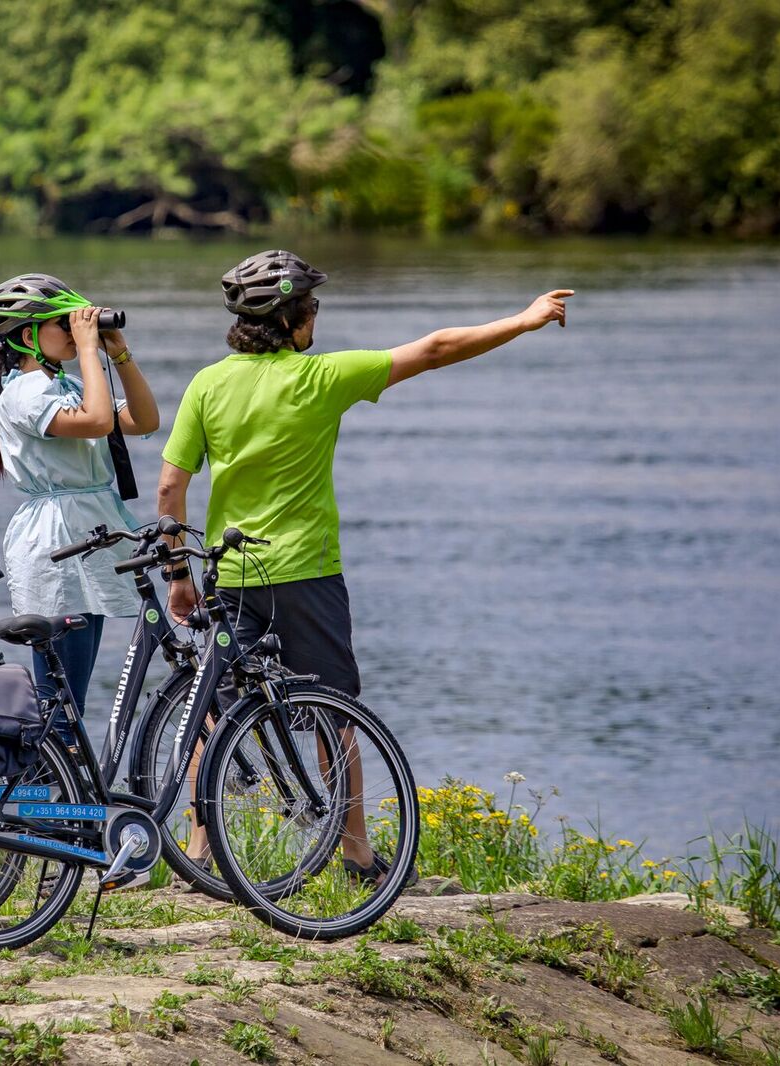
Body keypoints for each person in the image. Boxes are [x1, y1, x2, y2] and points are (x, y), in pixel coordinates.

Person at [158, 249, 573, 883]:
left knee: (212, 709)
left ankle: (199, 852)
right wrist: (523, 319)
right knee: (334, 712)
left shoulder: (206, 384)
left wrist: (179, 576)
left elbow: (170, 487)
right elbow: (434, 349)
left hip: (230, 575)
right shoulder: (322, 377)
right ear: (293, 320)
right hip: (306, 574)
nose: (316, 318)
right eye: (312, 309)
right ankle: (355, 853)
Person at [0, 274, 160, 728]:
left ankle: (62, 771)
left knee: (70, 695)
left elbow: (144, 419)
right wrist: (88, 349)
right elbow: (98, 421)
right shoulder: (24, 391)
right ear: (28, 337)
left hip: (87, 533)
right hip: (57, 541)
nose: (75, 330)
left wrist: (119, 355)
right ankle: (50, 772)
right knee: (59, 699)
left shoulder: (68, 385)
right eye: (63, 323)